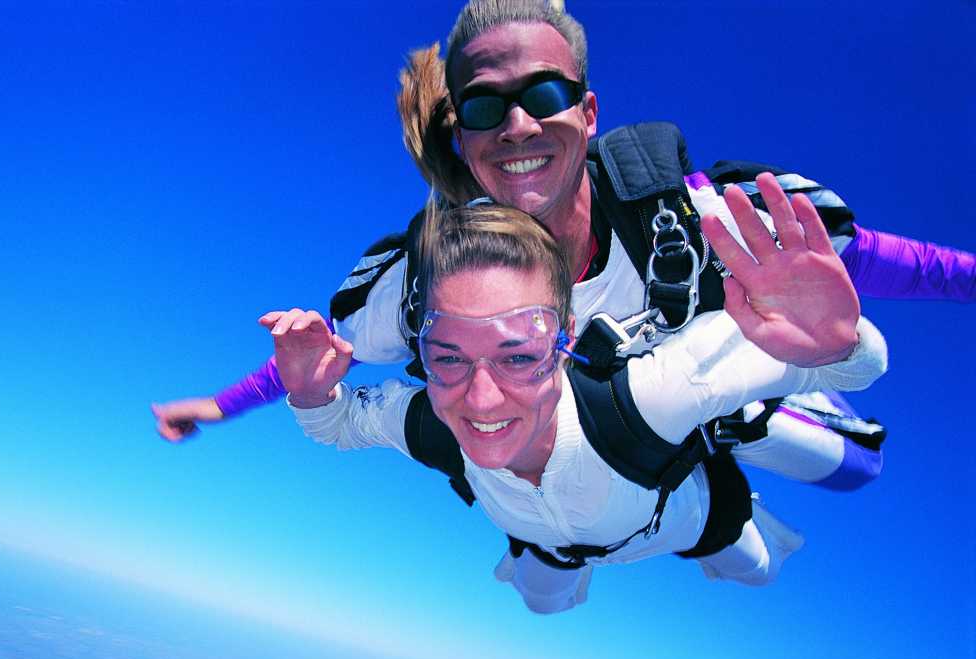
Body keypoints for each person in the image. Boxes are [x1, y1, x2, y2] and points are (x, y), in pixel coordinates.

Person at [153, 0, 971, 489]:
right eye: (483, 108)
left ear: (587, 113)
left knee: (858, 472)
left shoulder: (691, 221)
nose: (516, 126)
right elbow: (319, 357)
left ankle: (753, 410)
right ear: (462, 134)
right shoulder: (428, 279)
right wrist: (218, 406)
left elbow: (876, 263)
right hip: (609, 425)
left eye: (544, 94)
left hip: (723, 370)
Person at [269, 190, 886, 614]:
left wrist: (838, 343)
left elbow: (851, 366)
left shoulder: (652, 397)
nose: (480, 400)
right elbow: (341, 424)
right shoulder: (435, 422)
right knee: (542, 601)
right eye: (448, 356)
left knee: (758, 567)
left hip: (689, 516)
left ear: (565, 336)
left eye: (518, 355)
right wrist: (308, 390)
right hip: (552, 546)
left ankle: (734, 432)